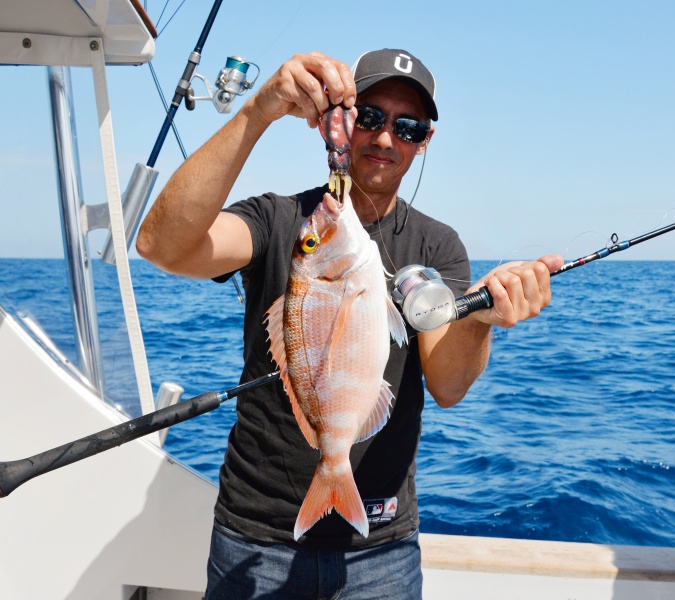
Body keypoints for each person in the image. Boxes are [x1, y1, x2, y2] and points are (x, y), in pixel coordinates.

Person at [136, 48, 563, 599]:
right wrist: (258, 111)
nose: (386, 138)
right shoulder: (282, 221)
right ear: (337, 118)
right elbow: (160, 245)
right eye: (369, 116)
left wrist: (481, 316)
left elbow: (449, 386)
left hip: (380, 548)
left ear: (423, 142)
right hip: (255, 535)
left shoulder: (437, 245)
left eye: (408, 127)